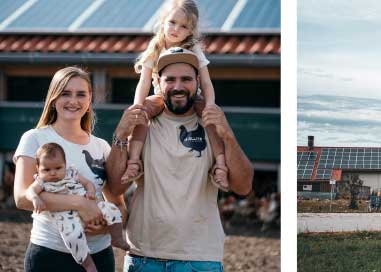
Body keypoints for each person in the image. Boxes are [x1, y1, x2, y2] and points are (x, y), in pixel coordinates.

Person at [107, 48, 253, 271]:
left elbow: (243, 187)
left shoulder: (212, 126)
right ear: (157, 82)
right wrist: (120, 134)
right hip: (143, 256)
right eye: (170, 79)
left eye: (186, 79)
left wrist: (228, 134)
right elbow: (116, 186)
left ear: (197, 82)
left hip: (200, 258)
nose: (178, 87)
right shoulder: (143, 125)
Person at [14, 66, 124, 272]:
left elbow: (118, 203)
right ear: (54, 99)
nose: (73, 101)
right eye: (65, 93)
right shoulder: (34, 138)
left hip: (101, 256)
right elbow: (21, 198)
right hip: (50, 256)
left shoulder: (101, 146)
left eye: (81, 94)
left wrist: (105, 226)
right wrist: (80, 203)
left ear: (90, 99)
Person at [123, 0, 229, 192]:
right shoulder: (155, 47)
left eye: (183, 26)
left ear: (190, 31)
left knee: (210, 119)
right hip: (160, 97)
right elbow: (144, 81)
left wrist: (210, 105)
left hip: (191, 99)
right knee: (141, 115)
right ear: (163, 21)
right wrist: (138, 105)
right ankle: (133, 162)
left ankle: (220, 165)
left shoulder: (194, 50)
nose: (175, 29)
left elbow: (205, 82)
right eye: (172, 22)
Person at [25, 143, 129, 272]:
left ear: (65, 164)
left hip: (89, 203)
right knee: (72, 237)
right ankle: (88, 264)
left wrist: (90, 191)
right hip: (65, 215)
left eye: (58, 168)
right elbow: (29, 191)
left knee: (112, 209)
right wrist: (35, 198)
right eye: (46, 170)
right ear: (38, 168)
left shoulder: (72, 173)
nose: (53, 173)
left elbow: (87, 183)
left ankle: (117, 237)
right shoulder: (41, 181)